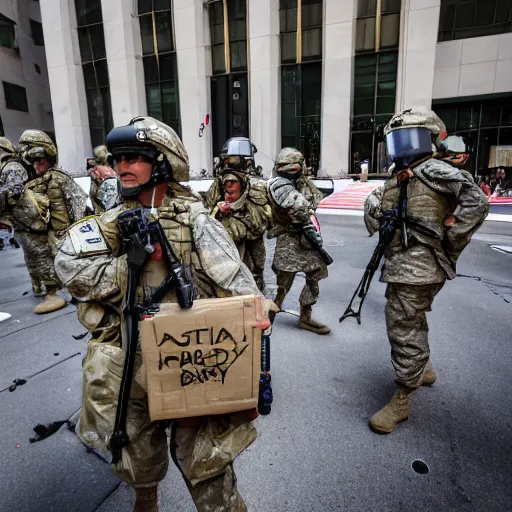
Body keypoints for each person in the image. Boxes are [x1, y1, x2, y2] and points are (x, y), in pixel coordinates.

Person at [55, 117, 272, 512]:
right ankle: (146, 499)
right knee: (137, 452)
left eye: (135, 157)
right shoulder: (109, 224)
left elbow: (238, 284)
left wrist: (256, 318)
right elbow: (69, 266)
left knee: (205, 462)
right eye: (119, 158)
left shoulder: (195, 221)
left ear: (162, 162)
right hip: (129, 365)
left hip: (189, 361)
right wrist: (128, 265)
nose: (122, 166)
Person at [363, 110, 489, 435]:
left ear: (429, 139)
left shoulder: (432, 168)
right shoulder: (403, 173)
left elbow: (477, 201)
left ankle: (403, 397)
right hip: (402, 264)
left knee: (402, 325)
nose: (402, 146)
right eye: (397, 140)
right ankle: (423, 368)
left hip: (418, 266)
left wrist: (453, 235)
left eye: (410, 138)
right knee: (413, 317)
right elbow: (377, 206)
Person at [15, 130, 88, 313]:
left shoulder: (59, 177)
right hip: (52, 235)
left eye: (41, 161)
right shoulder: (35, 183)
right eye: (35, 162)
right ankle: (57, 291)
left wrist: (76, 228)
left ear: (48, 160)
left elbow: (78, 203)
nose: (38, 166)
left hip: (66, 233)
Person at [267, 147, 330, 335]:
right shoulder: (278, 184)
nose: (292, 172)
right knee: (282, 282)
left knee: (315, 274)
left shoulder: (304, 183)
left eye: (295, 169)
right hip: (288, 238)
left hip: (306, 238)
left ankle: (305, 316)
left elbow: (311, 205)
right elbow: (299, 207)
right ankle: (268, 315)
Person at [206, 138, 271, 292]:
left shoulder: (256, 187)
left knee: (253, 282)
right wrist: (218, 211)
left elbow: (260, 223)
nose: (229, 184)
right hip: (224, 246)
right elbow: (207, 212)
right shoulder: (218, 184)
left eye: (233, 159)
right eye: (227, 159)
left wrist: (233, 214)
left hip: (250, 249)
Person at [87, 144, 119, 214]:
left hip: (103, 201)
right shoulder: (112, 170)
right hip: (115, 200)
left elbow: (93, 191)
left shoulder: (94, 171)